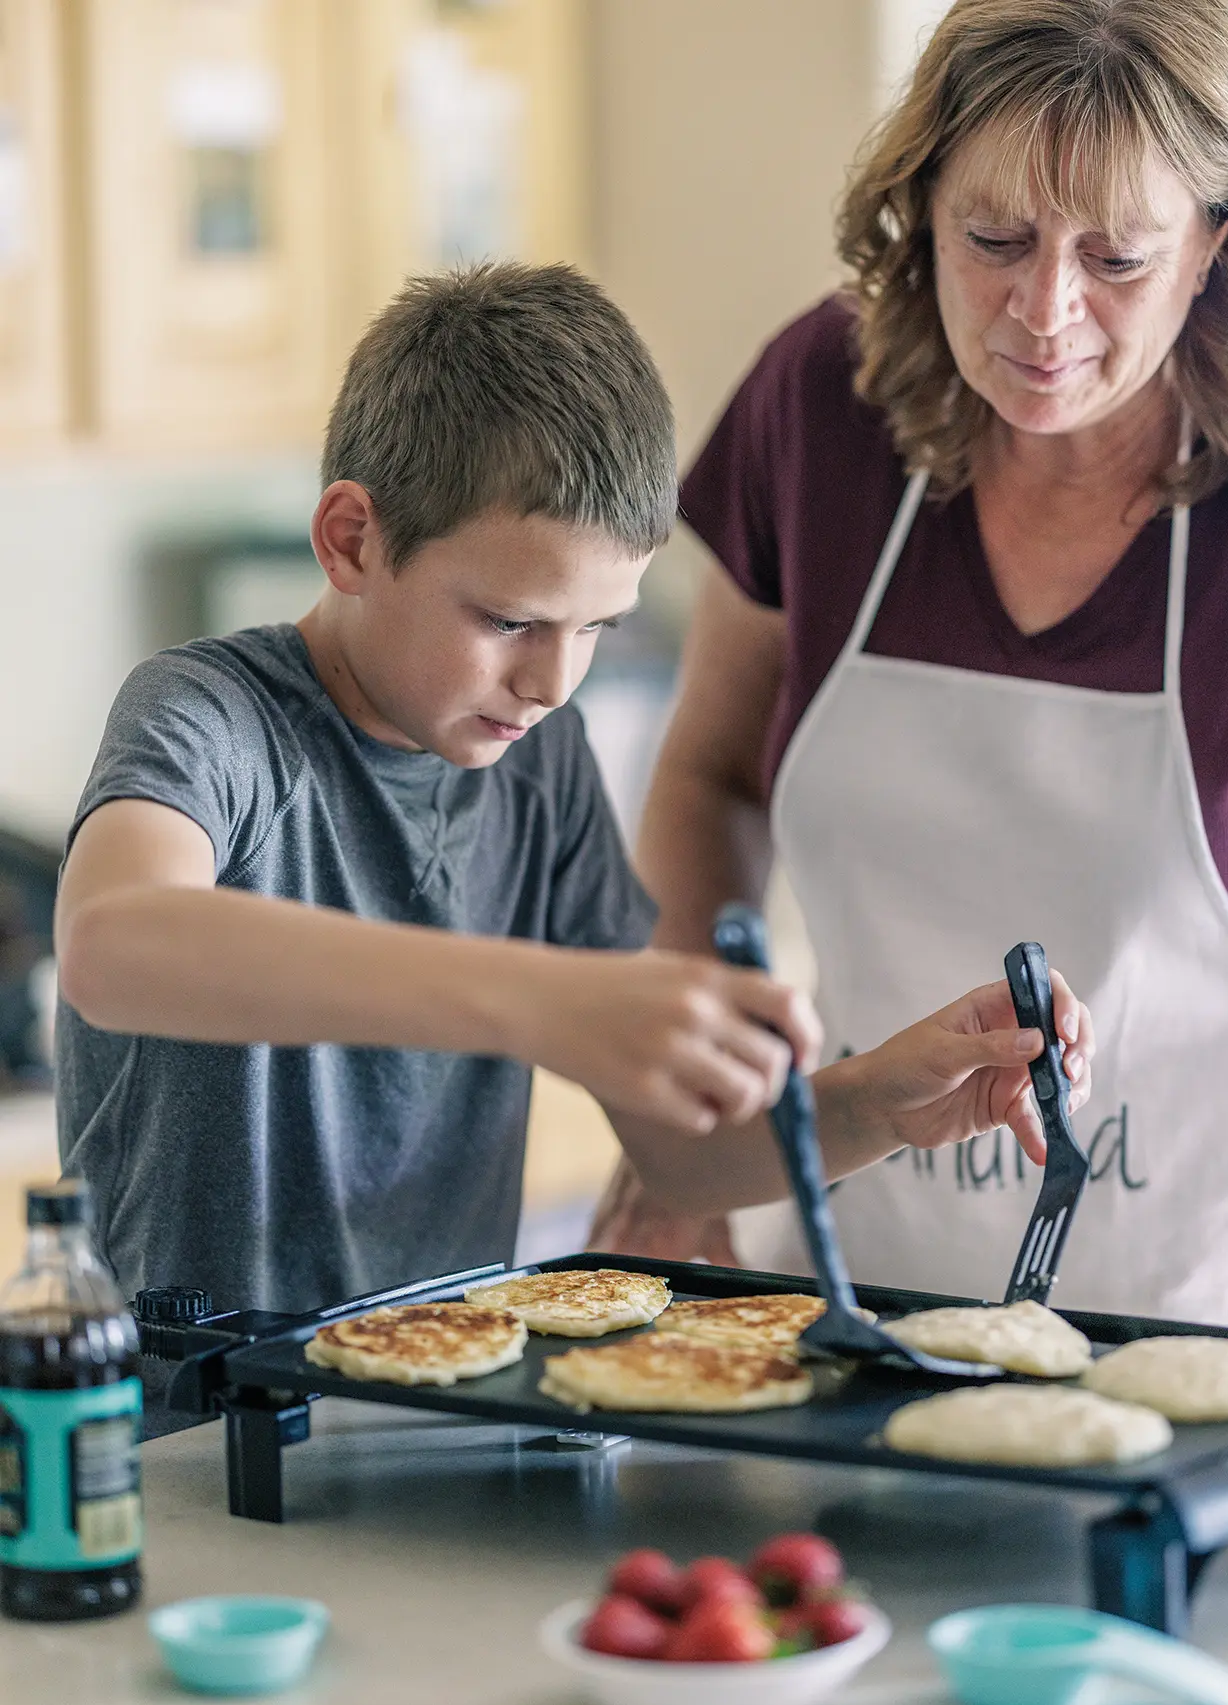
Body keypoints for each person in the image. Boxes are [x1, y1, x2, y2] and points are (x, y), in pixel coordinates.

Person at [591, 0, 1228, 1340]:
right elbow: (714, 774)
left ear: (1216, 239)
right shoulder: (821, 407)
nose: (1045, 312)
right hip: (852, 1294)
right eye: (995, 239)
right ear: (919, 204)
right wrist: (696, 1136)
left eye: (1119, 257)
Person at [53, 263, 1086, 1314]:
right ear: (352, 540)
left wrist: (885, 1103)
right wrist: (543, 1005)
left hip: (430, 1414)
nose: (553, 682)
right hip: (172, 1442)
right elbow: (113, 945)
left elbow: (682, 1162)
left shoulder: (539, 765)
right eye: (510, 621)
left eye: (596, 628)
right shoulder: (210, 717)